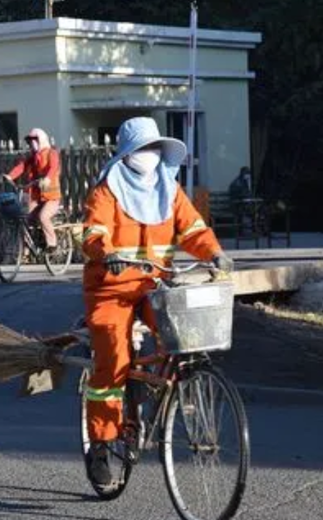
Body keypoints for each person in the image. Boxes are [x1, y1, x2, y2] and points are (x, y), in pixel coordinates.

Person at [81, 117, 233, 487]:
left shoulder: (170, 187)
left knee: (183, 332)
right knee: (112, 361)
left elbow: (194, 228)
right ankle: (101, 445)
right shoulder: (107, 190)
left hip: (153, 284)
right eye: (143, 148)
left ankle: (162, 384)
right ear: (127, 154)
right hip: (110, 287)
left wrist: (214, 254)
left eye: (155, 148)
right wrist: (106, 251)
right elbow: (93, 231)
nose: (150, 155)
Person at [5, 128, 61, 253]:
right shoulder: (34, 157)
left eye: (34, 141)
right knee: (25, 217)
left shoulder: (51, 153)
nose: (31, 144)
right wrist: (9, 176)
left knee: (43, 217)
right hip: (37, 197)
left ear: (41, 140)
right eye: (30, 142)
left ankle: (52, 243)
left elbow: (54, 167)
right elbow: (22, 166)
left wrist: (47, 178)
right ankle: (29, 247)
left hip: (52, 197)